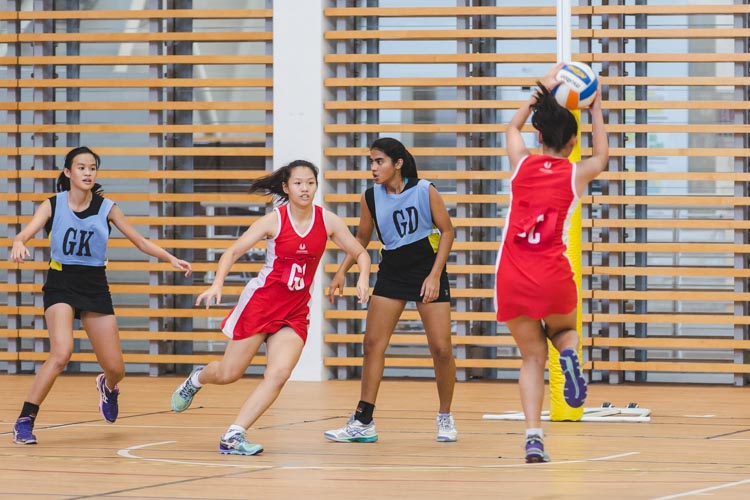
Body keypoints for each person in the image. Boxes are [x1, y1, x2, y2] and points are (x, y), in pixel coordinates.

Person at [170, 160, 371, 456]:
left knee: (278, 374)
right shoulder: (273, 221)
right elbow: (233, 251)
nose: (305, 188)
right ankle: (197, 378)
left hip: (294, 312)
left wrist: (363, 277)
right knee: (229, 373)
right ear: (286, 187)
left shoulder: (327, 220)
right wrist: (217, 284)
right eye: (299, 183)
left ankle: (234, 435)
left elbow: (360, 252)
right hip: (261, 305)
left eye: (311, 183)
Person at [10, 146, 192, 445]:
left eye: (92, 167)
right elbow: (24, 233)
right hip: (61, 281)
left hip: (94, 284)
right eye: (81, 167)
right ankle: (25, 419)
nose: (87, 172)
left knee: (116, 368)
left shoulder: (108, 208)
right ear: (68, 172)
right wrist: (19, 242)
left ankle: (108, 386)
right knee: (61, 353)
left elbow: (140, 241)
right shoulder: (52, 205)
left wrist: (169, 258)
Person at [495, 63, 609, 463]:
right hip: (554, 275)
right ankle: (570, 353)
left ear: (539, 135)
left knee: (531, 358)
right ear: (573, 140)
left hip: (513, 275)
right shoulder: (576, 174)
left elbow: (511, 129)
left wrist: (539, 91)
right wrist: (594, 108)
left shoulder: (522, 165)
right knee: (563, 333)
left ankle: (533, 437)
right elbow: (603, 156)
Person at [324, 137, 457, 443]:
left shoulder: (425, 189)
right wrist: (340, 272)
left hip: (427, 268)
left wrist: (435, 275)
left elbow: (448, 231)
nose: (373, 168)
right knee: (372, 345)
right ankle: (363, 420)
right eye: (371, 162)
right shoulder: (370, 197)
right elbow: (361, 238)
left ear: (397, 164)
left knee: (441, 349)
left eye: (379, 161)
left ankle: (445, 416)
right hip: (393, 271)